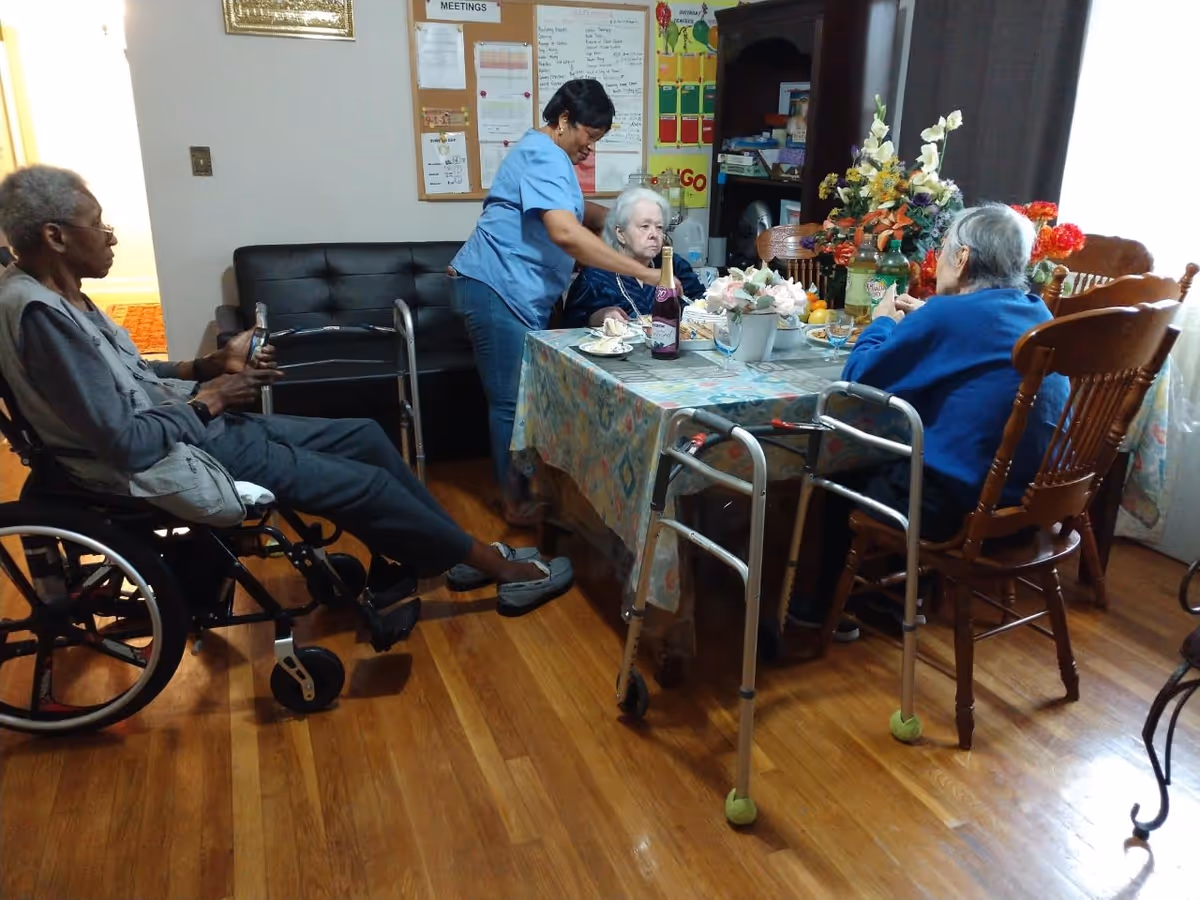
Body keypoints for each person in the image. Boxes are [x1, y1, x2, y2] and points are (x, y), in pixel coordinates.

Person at [0, 164, 572, 616]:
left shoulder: (67, 298)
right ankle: (496, 569)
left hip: (197, 428)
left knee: (368, 436)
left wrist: (208, 364)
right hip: (185, 452)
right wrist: (216, 396)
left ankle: (448, 552)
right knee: (367, 484)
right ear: (55, 236)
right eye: (96, 225)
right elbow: (126, 442)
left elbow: (133, 377)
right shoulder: (44, 319)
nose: (110, 237)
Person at [791, 203, 1070, 639]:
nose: (937, 259)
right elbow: (976, 339)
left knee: (840, 472)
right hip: (1028, 503)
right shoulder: (1038, 314)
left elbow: (858, 378)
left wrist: (881, 323)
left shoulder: (949, 315)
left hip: (959, 510)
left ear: (962, 259)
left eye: (942, 250)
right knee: (918, 455)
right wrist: (927, 321)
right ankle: (898, 600)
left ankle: (813, 610)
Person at [450, 79, 681, 527]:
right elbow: (564, 232)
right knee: (510, 403)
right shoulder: (544, 154)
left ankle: (532, 489)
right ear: (563, 121)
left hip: (502, 288)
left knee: (519, 400)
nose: (589, 149)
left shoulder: (543, 154)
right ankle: (515, 503)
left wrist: (623, 216)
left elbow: (578, 214)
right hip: (495, 287)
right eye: (588, 137)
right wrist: (646, 272)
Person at [561, 186, 706, 328]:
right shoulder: (595, 277)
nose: (654, 234)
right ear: (620, 233)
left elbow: (703, 304)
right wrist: (599, 316)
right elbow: (570, 326)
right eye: (644, 226)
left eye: (659, 227)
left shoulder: (674, 265)